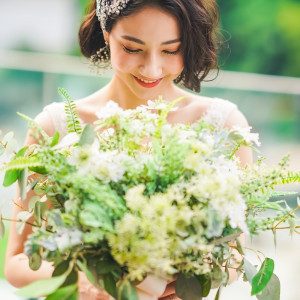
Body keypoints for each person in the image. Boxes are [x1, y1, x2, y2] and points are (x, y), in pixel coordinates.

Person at [5, 0, 252, 299]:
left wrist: (190, 275)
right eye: (133, 48)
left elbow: (238, 253)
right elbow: (16, 263)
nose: (152, 68)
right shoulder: (53, 129)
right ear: (107, 33)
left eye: (171, 49)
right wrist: (88, 283)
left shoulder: (224, 127)